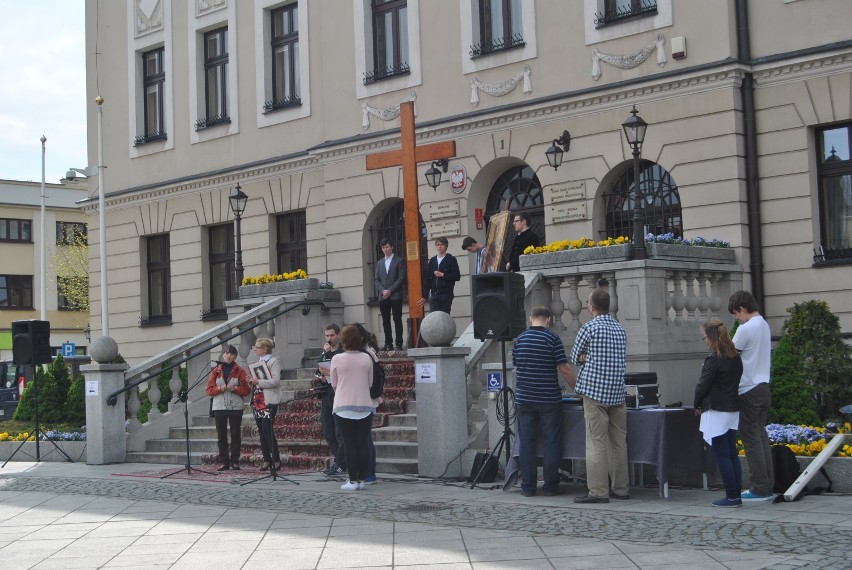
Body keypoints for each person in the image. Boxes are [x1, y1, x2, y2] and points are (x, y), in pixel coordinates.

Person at [570, 288, 629, 504]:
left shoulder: (589, 327)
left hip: (595, 391)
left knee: (596, 442)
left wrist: (588, 356)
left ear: (592, 307)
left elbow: (575, 357)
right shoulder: (620, 328)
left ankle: (598, 491)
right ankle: (621, 488)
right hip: (617, 391)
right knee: (619, 442)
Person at [512, 306, 575, 497]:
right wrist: (577, 388)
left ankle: (528, 488)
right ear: (548, 320)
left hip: (524, 398)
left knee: (527, 443)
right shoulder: (552, 338)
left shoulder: (520, 339)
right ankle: (550, 487)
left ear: (531, 318)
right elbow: (563, 368)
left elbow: (517, 366)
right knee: (551, 442)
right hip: (548, 398)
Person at [728, 290, 774, 501]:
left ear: (743, 309)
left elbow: (729, 356)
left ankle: (759, 488)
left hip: (748, 388)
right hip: (763, 385)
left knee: (751, 438)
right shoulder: (764, 325)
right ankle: (767, 484)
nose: (736, 318)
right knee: (761, 435)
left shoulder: (746, 328)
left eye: (736, 313)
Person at [694, 319, 743, 507]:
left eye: (705, 337)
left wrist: (696, 403)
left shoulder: (714, 358)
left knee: (722, 455)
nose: (705, 341)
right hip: (732, 409)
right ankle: (735, 494)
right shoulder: (734, 356)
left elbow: (702, 385)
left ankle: (731, 496)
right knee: (732, 453)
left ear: (711, 337)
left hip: (716, 409)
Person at [330, 324, 376, 490]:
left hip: (343, 404)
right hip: (364, 404)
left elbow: (334, 384)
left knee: (349, 443)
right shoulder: (366, 358)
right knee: (362, 443)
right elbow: (370, 382)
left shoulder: (337, 359)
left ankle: (352, 480)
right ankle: (362, 479)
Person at [205, 344, 250, 471]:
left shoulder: (240, 370)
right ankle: (224, 462)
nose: (228, 355)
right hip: (219, 407)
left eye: (231, 353)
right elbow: (209, 390)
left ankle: (235, 461)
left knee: (235, 434)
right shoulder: (216, 370)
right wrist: (219, 388)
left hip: (235, 407)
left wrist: (235, 388)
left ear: (235, 356)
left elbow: (247, 390)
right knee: (221, 435)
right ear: (223, 355)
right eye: (226, 353)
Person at [249, 337, 283, 471]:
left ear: (264, 349)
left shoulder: (274, 361)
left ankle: (276, 459)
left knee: (267, 430)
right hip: (257, 399)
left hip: (268, 400)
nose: (255, 349)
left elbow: (276, 381)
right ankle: (266, 459)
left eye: (257, 347)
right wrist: (251, 381)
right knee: (261, 431)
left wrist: (259, 382)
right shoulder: (258, 362)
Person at [317, 323, 346, 477]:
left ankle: (341, 463)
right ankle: (340, 460)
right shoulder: (325, 353)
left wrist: (329, 373)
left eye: (332, 335)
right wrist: (321, 377)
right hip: (327, 394)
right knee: (328, 431)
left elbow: (344, 374)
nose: (329, 339)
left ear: (338, 335)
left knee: (339, 431)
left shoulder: (342, 353)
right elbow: (319, 372)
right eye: (327, 336)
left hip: (339, 394)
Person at [355, 323, 381, 485]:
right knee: (362, 439)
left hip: (365, 399)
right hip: (362, 398)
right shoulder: (366, 353)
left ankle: (369, 473)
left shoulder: (366, 354)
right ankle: (363, 472)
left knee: (365, 439)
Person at [374, 238, 407, 350]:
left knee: (397, 319)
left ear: (392, 247)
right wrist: (383, 290)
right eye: (383, 247)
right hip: (383, 296)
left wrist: (390, 290)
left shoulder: (399, 260)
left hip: (395, 295)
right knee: (385, 320)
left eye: (387, 247)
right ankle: (388, 343)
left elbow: (401, 278)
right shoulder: (379, 263)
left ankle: (398, 343)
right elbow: (376, 279)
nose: (385, 249)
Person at [418, 236, 460, 314]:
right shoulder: (432, 261)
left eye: (441, 244)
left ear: (446, 246)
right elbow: (428, 279)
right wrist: (425, 296)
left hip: (446, 294)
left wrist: (443, 275)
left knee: (444, 317)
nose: (439, 246)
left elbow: (456, 276)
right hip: (434, 294)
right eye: (437, 245)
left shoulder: (451, 259)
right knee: (435, 317)